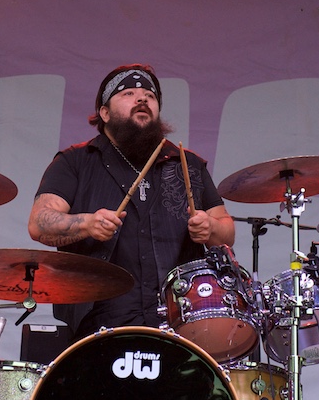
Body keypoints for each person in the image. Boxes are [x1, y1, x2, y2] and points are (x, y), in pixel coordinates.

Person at [28, 63, 235, 340]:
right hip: (100, 324)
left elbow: (227, 230)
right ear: (104, 112)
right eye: (128, 93)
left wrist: (211, 228)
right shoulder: (76, 161)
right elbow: (39, 223)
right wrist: (87, 223)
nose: (142, 99)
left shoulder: (187, 163)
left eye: (149, 96)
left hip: (178, 321)